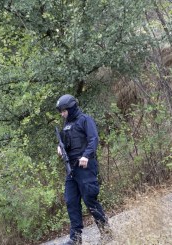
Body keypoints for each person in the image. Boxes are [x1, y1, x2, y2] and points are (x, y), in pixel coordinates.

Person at [56, 94, 112, 245]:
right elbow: (68, 144)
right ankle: (75, 238)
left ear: (71, 108)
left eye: (63, 111)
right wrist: (61, 148)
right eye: (61, 111)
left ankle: (106, 232)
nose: (62, 114)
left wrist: (86, 156)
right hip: (71, 169)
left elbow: (94, 139)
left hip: (85, 167)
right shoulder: (67, 125)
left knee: (90, 199)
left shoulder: (85, 120)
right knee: (71, 201)